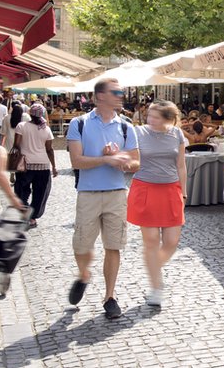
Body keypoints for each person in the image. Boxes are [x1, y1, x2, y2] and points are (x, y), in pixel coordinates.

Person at [66, 78, 140, 319]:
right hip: (87, 193)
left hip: (117, 194)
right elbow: (76, 161)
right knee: (81, 245)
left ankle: (109, 296)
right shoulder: (79, 123)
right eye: (115, 92)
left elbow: (136, 164)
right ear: (99, 96)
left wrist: (118, 158)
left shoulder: (127, 126)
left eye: (121, 91)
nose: (121, 95)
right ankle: (84, 274)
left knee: (113, 246)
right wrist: (105, 159)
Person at [128, 100, 187, 308]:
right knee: (151, 240)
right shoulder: (138, 132)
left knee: (171, 242)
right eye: (149, 115)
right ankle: (156, 287)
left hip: (171, 190)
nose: (150, 119)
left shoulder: (177, 134)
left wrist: (184, 193)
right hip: (145, 188)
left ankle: (154, 268)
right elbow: (129, 156)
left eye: (155, 116)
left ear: (168, 119)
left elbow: (181, 165)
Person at [12, 103, 56, 228]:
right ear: (42, 114)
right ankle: (33, 218)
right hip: (43, 166)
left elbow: (16, 145)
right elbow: (50, 150)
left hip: (25, 165)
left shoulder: (21, 126)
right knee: (40, 193)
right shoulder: (46, 129)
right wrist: (54, 166)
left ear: (30, 114)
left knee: (21, 191)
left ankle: (25, 213)